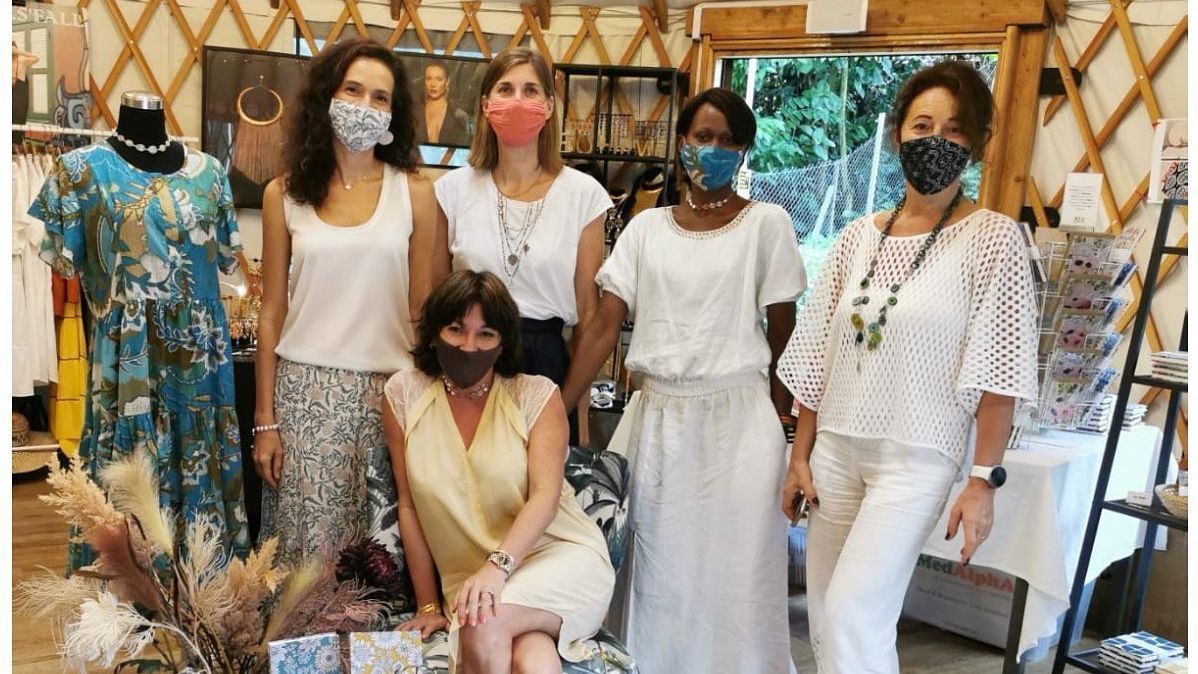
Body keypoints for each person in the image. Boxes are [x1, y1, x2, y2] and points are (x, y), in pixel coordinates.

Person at [776, 60, 1039, 673]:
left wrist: (983, 481)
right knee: (828, 620)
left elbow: (1000, 372)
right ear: (897, 133)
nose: (935, 141)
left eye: (954, 129)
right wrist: (799, 456)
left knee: (853, 613)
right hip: (835, 450)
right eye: (922, 125)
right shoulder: (855, 238)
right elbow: (818, 356)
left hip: (916, 458)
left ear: (977, 143)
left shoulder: (993, 239)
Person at [560, 87, 806, 674]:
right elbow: (604, 326)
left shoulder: (765, 224)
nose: (713, 149)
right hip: (657, 419)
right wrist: (559, 405)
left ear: (744, 151)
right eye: (703, 136)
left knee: (735, 570)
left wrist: (781, 424)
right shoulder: (647, 229)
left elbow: (784, 334)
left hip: (739, 423)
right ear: (681, 143)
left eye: (728, 140)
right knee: (654, 569)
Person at [253, 38, 442, 569]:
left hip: (388, 393)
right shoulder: (284, 194)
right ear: (327, 98)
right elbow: (272, 311)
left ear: (393, 114)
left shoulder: (416, 192)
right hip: (304, 394)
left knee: (379, 552)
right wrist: (265, 420)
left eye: (380, 97)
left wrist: (429, 407)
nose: (365, 106)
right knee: (305, 556)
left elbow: (421, 309)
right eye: (353, 90)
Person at [385, 270, 614, 674]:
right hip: (473, 582)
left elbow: (545, 496)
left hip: (557, 557)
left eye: (485, 334)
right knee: (531, 657)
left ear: (503, 341)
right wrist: (428, 605)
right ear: (435, 331)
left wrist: (497, 568)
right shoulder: (405, 394)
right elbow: (409, 506)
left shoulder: (535, 395)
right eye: (456, 329)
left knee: (483, 622)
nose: (468, 345)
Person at [434, 47, 611, 441]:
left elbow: (588, 318)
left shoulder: (583, 196)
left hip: (544, 365)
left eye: (530, 90)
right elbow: (433, 302)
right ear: (486, 105)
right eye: (505, 89)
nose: (517, 100)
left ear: (549, 105)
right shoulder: (452, 191)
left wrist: (576, 413)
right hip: (466, 360)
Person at [415, 62, 469, 146]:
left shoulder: (459, 117)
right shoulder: (414, 113)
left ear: (447, 82)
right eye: (429, 79)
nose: (433, 84)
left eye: (439, 79)